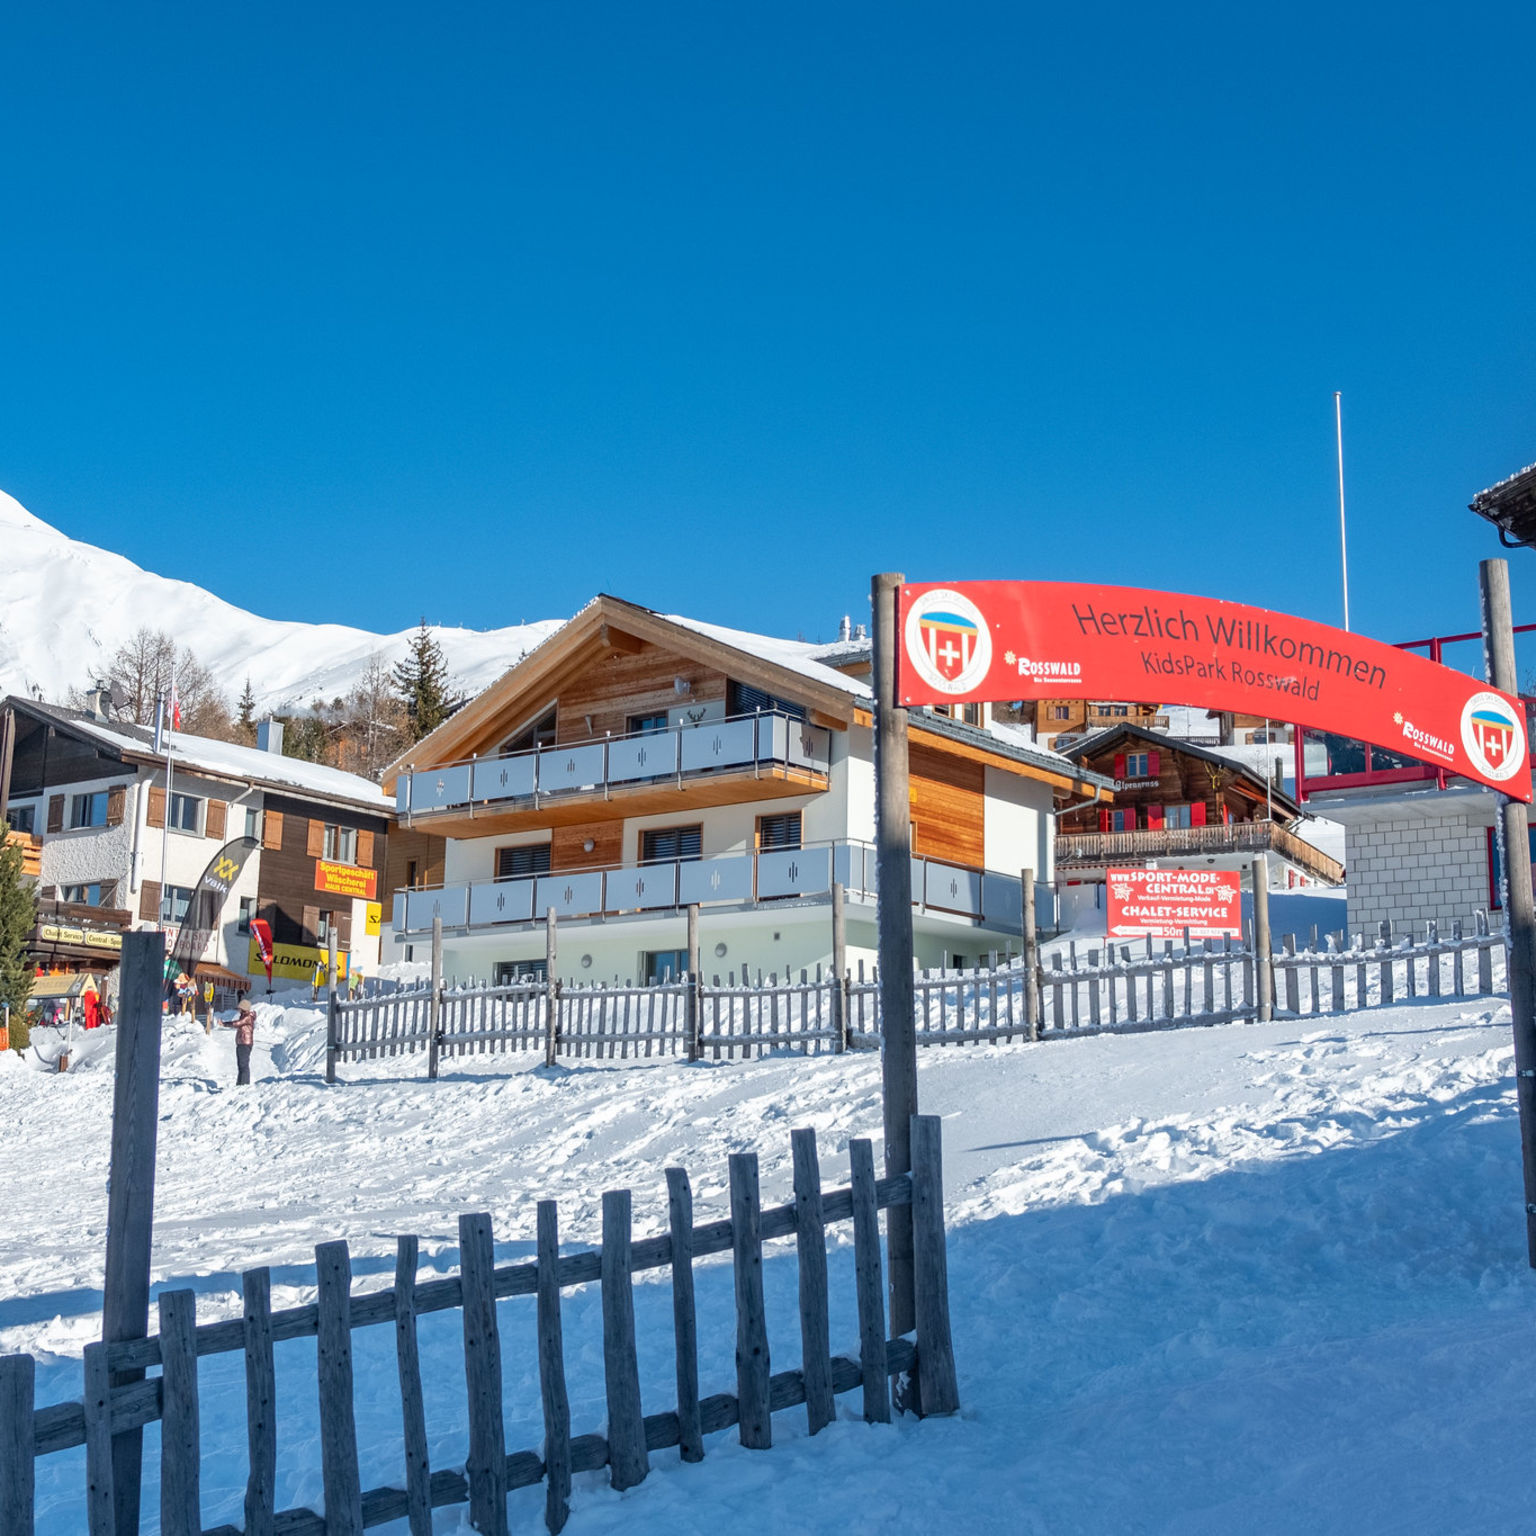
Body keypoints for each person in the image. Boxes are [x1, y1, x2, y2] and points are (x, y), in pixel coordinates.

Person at [229, 997, 256, 1085]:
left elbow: (237, 1023)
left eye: (240, 1008)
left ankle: (244, 1084)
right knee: (241, 1065)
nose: (238, 1010)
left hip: (245, 1043)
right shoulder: (244, 1016)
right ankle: (240, 1083)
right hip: (241, 1043)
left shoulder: (247, 1017)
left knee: (243, 1065)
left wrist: (224, 1023)